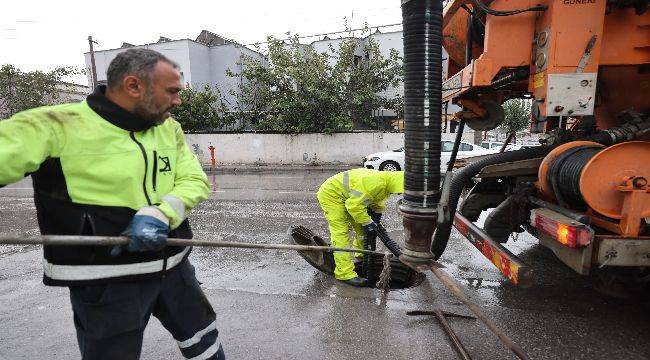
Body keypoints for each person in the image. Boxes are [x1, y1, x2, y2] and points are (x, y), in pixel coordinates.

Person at [0, 48, 225, 360]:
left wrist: (161, 212)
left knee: (204, 339)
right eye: (172, 91)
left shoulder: (168, 128)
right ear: (134, 86)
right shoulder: (53, 125)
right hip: (105, 279)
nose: (178, 101)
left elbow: (195, 181)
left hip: (173, 267)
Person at [316, 169, 404, 287]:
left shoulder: (387, 183)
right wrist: (367, 221)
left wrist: (377, 214)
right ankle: (344, 273)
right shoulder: (376, 183)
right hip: (332, 195)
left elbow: (376, 199)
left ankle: (362, 255)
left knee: (362, 231)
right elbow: (354, 206)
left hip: (349, 198)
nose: (399, 194)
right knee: (341, 233)